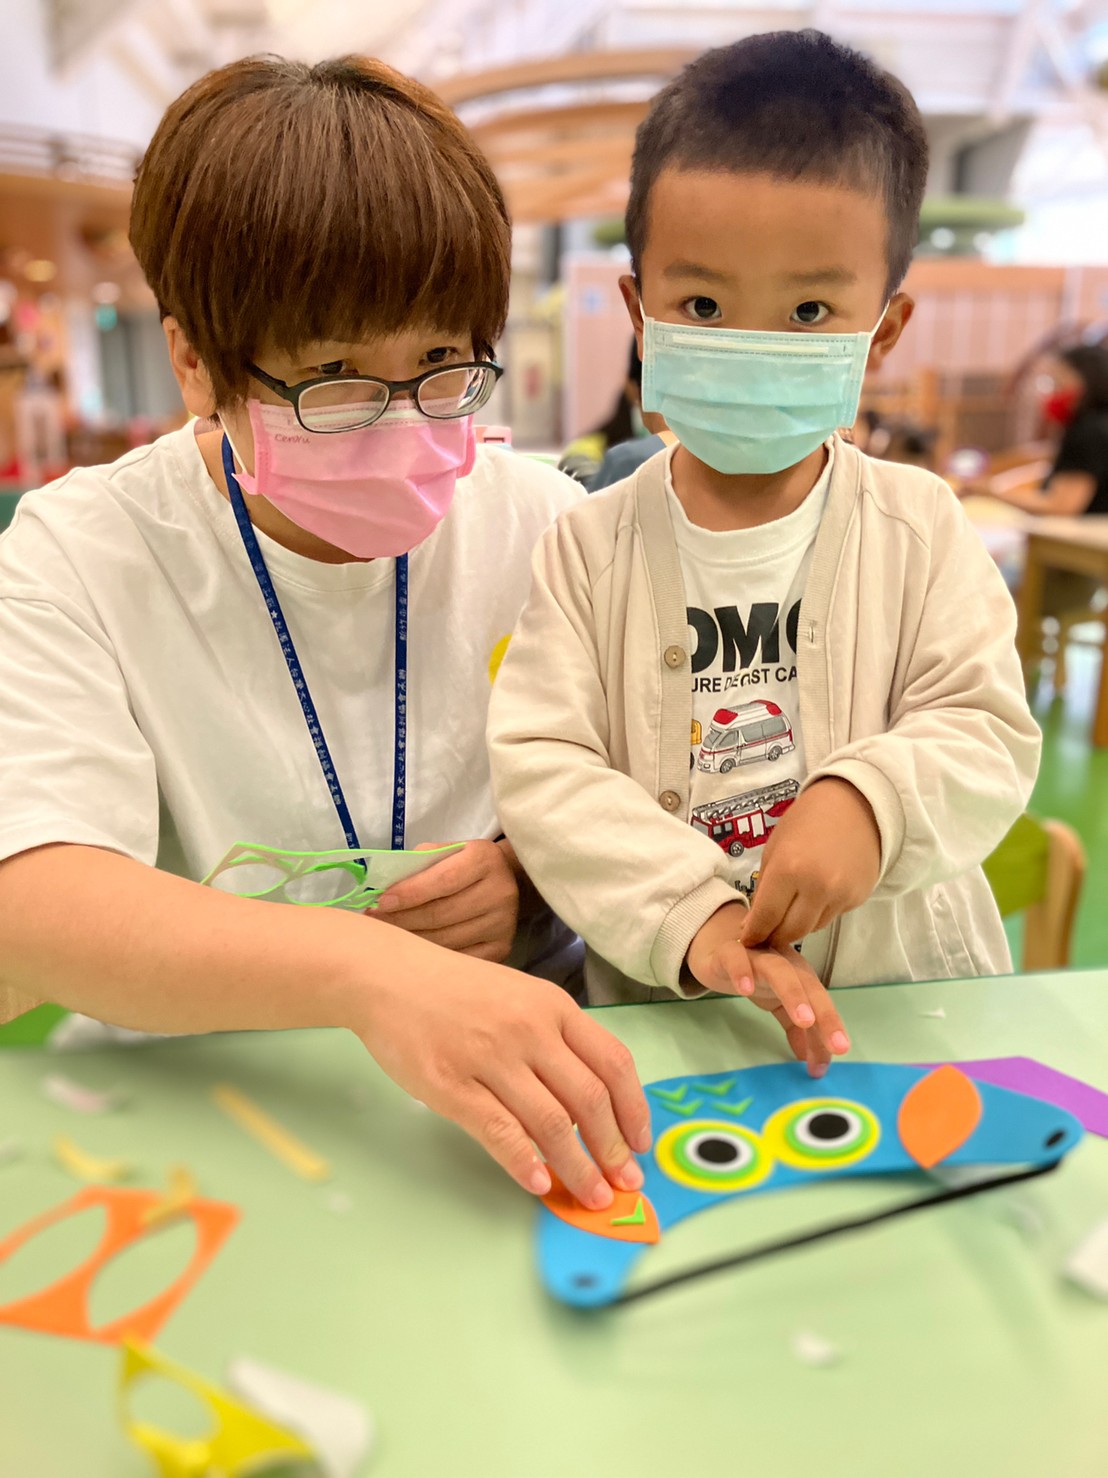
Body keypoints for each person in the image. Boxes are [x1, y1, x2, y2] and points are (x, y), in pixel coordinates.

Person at [0, 55, 650, 1213]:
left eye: (444, 366)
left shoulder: (547, 524)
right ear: (195, 358)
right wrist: (371, 974)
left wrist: (538, 884)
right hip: (205, 1107)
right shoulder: (80, 551)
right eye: (333, 377)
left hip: (506, 1119)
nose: (403, 424)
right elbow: (31, 903)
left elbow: (659, 802)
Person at [488, 31, 1040, 1076]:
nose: (753, 340)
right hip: (674, 1020)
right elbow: (544, 766)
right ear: (638, 312)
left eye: (807, 311)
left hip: (903, 1016)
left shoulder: (921, 529)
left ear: (879, 333)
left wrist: (870, 802)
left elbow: (986, 731)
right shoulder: (588, 548)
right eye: (701, 304)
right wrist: (689, 913)